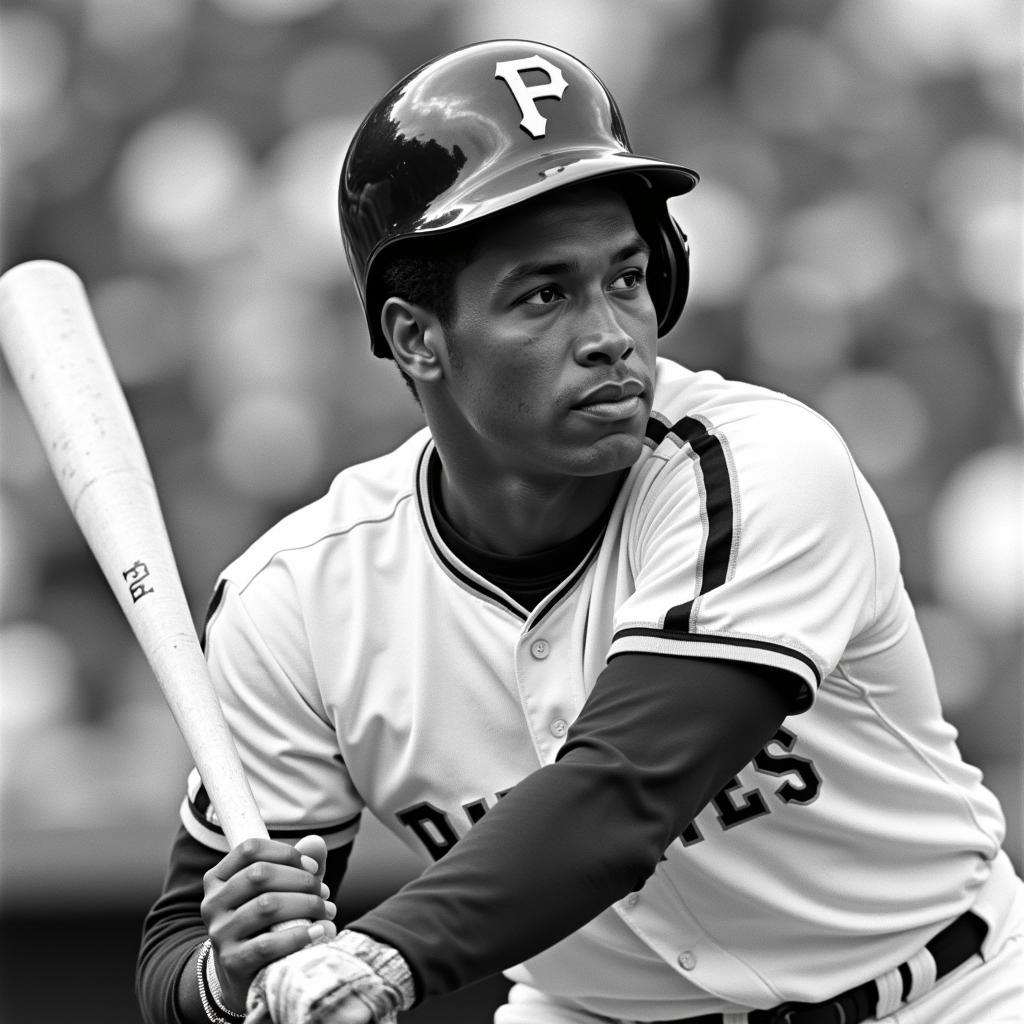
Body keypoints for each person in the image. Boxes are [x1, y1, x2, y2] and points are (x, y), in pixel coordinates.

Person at [136, 39, 1023, 1024]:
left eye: (628, 276)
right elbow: (178, 948)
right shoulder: (297, 600)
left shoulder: (761, 467)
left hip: (943, 993)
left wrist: (379, 955)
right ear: (415, 336)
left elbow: (620, 798)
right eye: (544, 293)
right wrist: (230, 972)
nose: (612, 332)